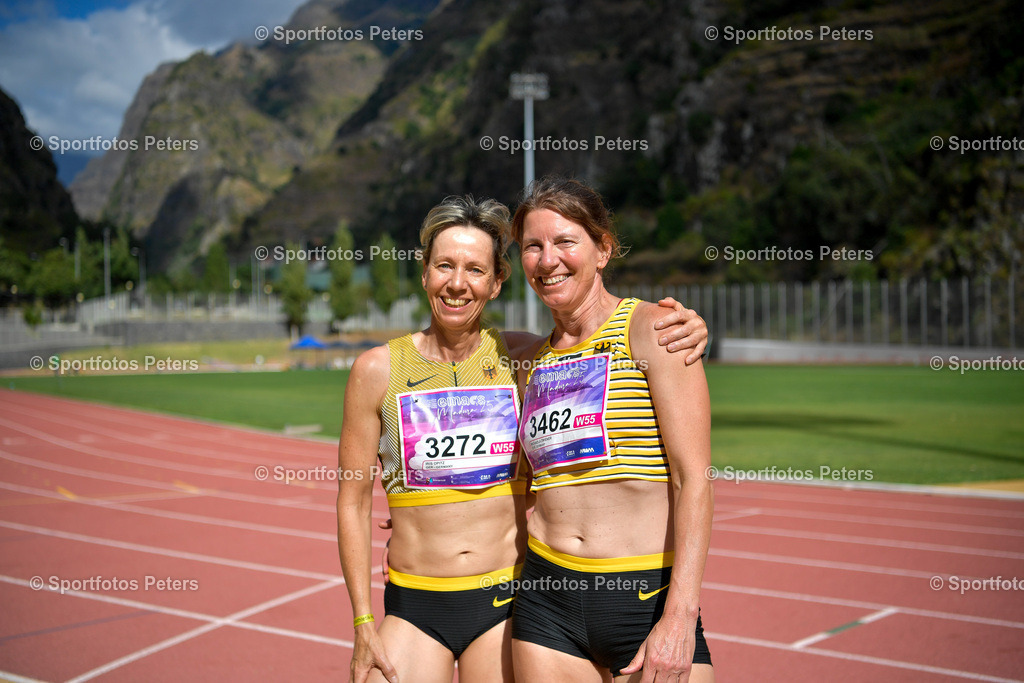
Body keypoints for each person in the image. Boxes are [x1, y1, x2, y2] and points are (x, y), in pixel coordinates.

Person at [337, 195, 708, 683]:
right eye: (444, 265)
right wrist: (366, 616)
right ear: (424, 272)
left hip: (521, 601)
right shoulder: (386, 368)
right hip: (467, 602)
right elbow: (354, 498)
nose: (457, 282)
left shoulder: (524, 358)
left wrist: (693, 324)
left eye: (475, 269)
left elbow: (688, 477)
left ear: (496, 283)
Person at [509, 177, 715, 683]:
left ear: (603, 249)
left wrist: (680, 616)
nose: (547, 259)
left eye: (565, 241)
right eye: (533, 246)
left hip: (641, 602)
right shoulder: (525, 360)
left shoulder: (656, 331)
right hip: (546, 604)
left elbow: (694, 480)